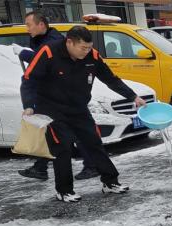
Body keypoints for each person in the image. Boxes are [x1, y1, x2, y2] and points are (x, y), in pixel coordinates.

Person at [21, 26, 147, 202]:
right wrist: (28, 105)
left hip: (78, 108)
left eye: (89, 48)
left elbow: (110, 79)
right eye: (83, 48)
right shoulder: (48, 52)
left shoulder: (92, 55)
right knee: (63, 146)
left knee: (94, 142)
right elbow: (29, 79)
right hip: (51, 109)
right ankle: (64, 190)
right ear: (69, 42)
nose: (86, 52)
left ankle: (110, 182)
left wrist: (133, 96)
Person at [13, 12, 99, 181]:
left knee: (72, 132)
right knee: (46, 130)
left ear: (41, 25)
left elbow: (41, 60)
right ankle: (40, 167)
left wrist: (23, 53)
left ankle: (92, 164)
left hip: (59, 98)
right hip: (46, 95)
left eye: (29, 25)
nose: (27, 28)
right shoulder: (44, 40)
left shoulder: (53, 42)